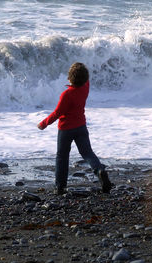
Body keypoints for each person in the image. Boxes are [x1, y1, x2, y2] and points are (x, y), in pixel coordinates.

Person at [37, 62, 112, 195]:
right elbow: (85, 79)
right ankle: (99, 170)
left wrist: (44, 123)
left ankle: (60, 186)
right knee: (87, 153)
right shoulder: (85, 88)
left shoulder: (66, 94)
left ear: (69, 78)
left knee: (62, 156)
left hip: (66, 129)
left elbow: (57, 113)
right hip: (81, 127)